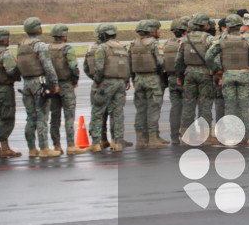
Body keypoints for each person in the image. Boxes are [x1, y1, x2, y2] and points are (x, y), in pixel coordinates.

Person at [205, 14, 249, 140]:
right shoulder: (247, 40)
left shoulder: (222, 40)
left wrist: (216, 70)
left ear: (228, 27)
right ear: (239, 26)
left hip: (228, 75)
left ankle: (232, 137)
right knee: (246, 106)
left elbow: (209, 55)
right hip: (244, 74)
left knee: (230, 107)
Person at [16, 17, 60, 158]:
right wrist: (54, 84)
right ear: (37, 29)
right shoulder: (40, 45)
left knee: (30, 118)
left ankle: (31, 149)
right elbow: (48, 66)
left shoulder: (21, 45)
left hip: (26, 83)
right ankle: (44, 148)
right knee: (42, 116)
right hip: (39, 82)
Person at [84, 23, 130, 152]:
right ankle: (117, 142)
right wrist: (126, 80)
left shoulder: (102, 48)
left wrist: (97, 81)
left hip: (105, 83)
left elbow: (97, 67)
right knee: (117, 113)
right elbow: (127, 66)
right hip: (120, 83)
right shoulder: (122, 47)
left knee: (98, 112)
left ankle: (96, 143)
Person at [48, 24, 86, 155]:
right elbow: (73, 67)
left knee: (54, 117)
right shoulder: (67, 49)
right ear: (64, 35)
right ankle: (70, 145)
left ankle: (56, 146)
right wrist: (74, 81)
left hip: (52, 86)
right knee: (69, 117)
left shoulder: (47, 48)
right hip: (66, 85)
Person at [130, 19, 167, 149]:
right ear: (151, 30)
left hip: (138, 80)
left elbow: (130, 63)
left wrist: (133, 78)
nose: (159, 31)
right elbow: (161, 62)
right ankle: (152, 138)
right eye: (157, 29)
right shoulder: (154, 44)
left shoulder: (133, 44)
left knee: (140, 110)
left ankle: (140, 139)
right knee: (153, 109)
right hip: (152, 79)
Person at [177, 13, 215, 134]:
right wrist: (216, 71)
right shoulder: (209, 38)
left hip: (189, 72)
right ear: (204, 25)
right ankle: (205, 134)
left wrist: (179, 76)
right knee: (205, 104)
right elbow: (214, 56)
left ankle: (185, 132)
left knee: (188, 103)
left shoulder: (185, 39)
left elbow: (179, 59)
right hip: (205, 73)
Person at [0, 28, 22, 158]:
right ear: (3, 39)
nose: (9, 40)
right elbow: (12, 70)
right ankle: (5, 148)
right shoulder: (5, 54)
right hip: (5, 88)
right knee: (6, 117)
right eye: (7, 37)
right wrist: (18, 72)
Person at [164, 17, 189, 145]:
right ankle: (185, 135)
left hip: (172, 79)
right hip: (185, 78)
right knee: (187, 108)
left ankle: (174, 136)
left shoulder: (167, 43)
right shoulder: (186, 42)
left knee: (175, 108)